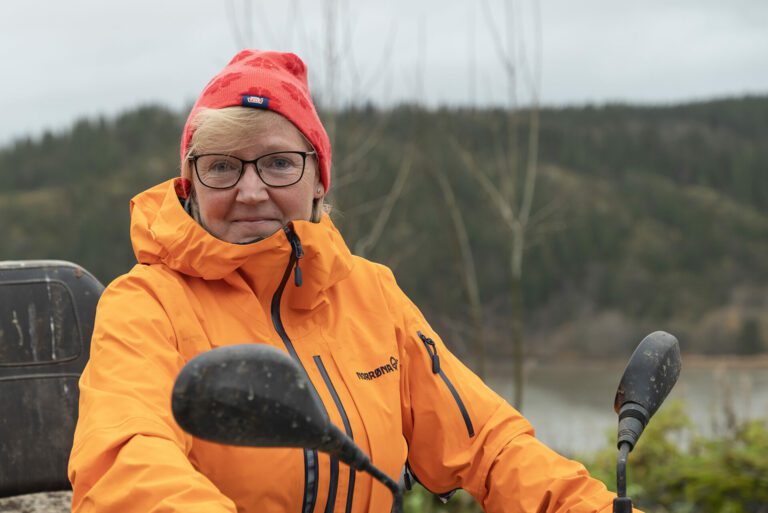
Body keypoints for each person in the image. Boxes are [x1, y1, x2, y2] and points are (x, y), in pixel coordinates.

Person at [68, 49, 634, 513]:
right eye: (222, 166)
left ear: (318, 179)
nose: (251, 191)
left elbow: (487, 442)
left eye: (279, 163)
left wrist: (586, 507)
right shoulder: (145, 304)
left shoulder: (370, 292)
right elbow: (126, 462)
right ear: (189, 183)